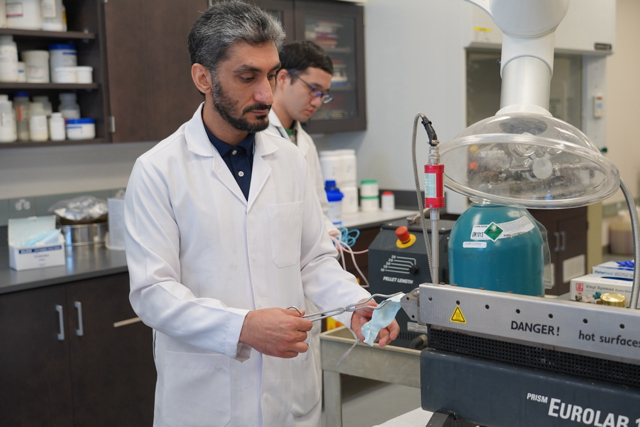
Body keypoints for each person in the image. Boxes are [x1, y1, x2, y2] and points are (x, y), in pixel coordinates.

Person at [123, 2, 399, 426]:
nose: (266, 95)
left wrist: (354, 305)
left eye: (271, 75)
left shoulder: (288, 160)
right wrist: (243, 327)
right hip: (206, 399)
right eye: (247, 77)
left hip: (289, 393)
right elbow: (153, 293)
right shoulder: (159, 170)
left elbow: (313, 259)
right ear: (203, 77)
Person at [267, 40, 340, 394]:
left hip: (307, 277)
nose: (317, 102)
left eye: (323, 95)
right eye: (313, 90)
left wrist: (327, 232)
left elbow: (316, 210)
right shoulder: (257, 137)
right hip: (273, 283)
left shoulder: (303, 141)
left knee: (306, 383)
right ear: (283, 78)